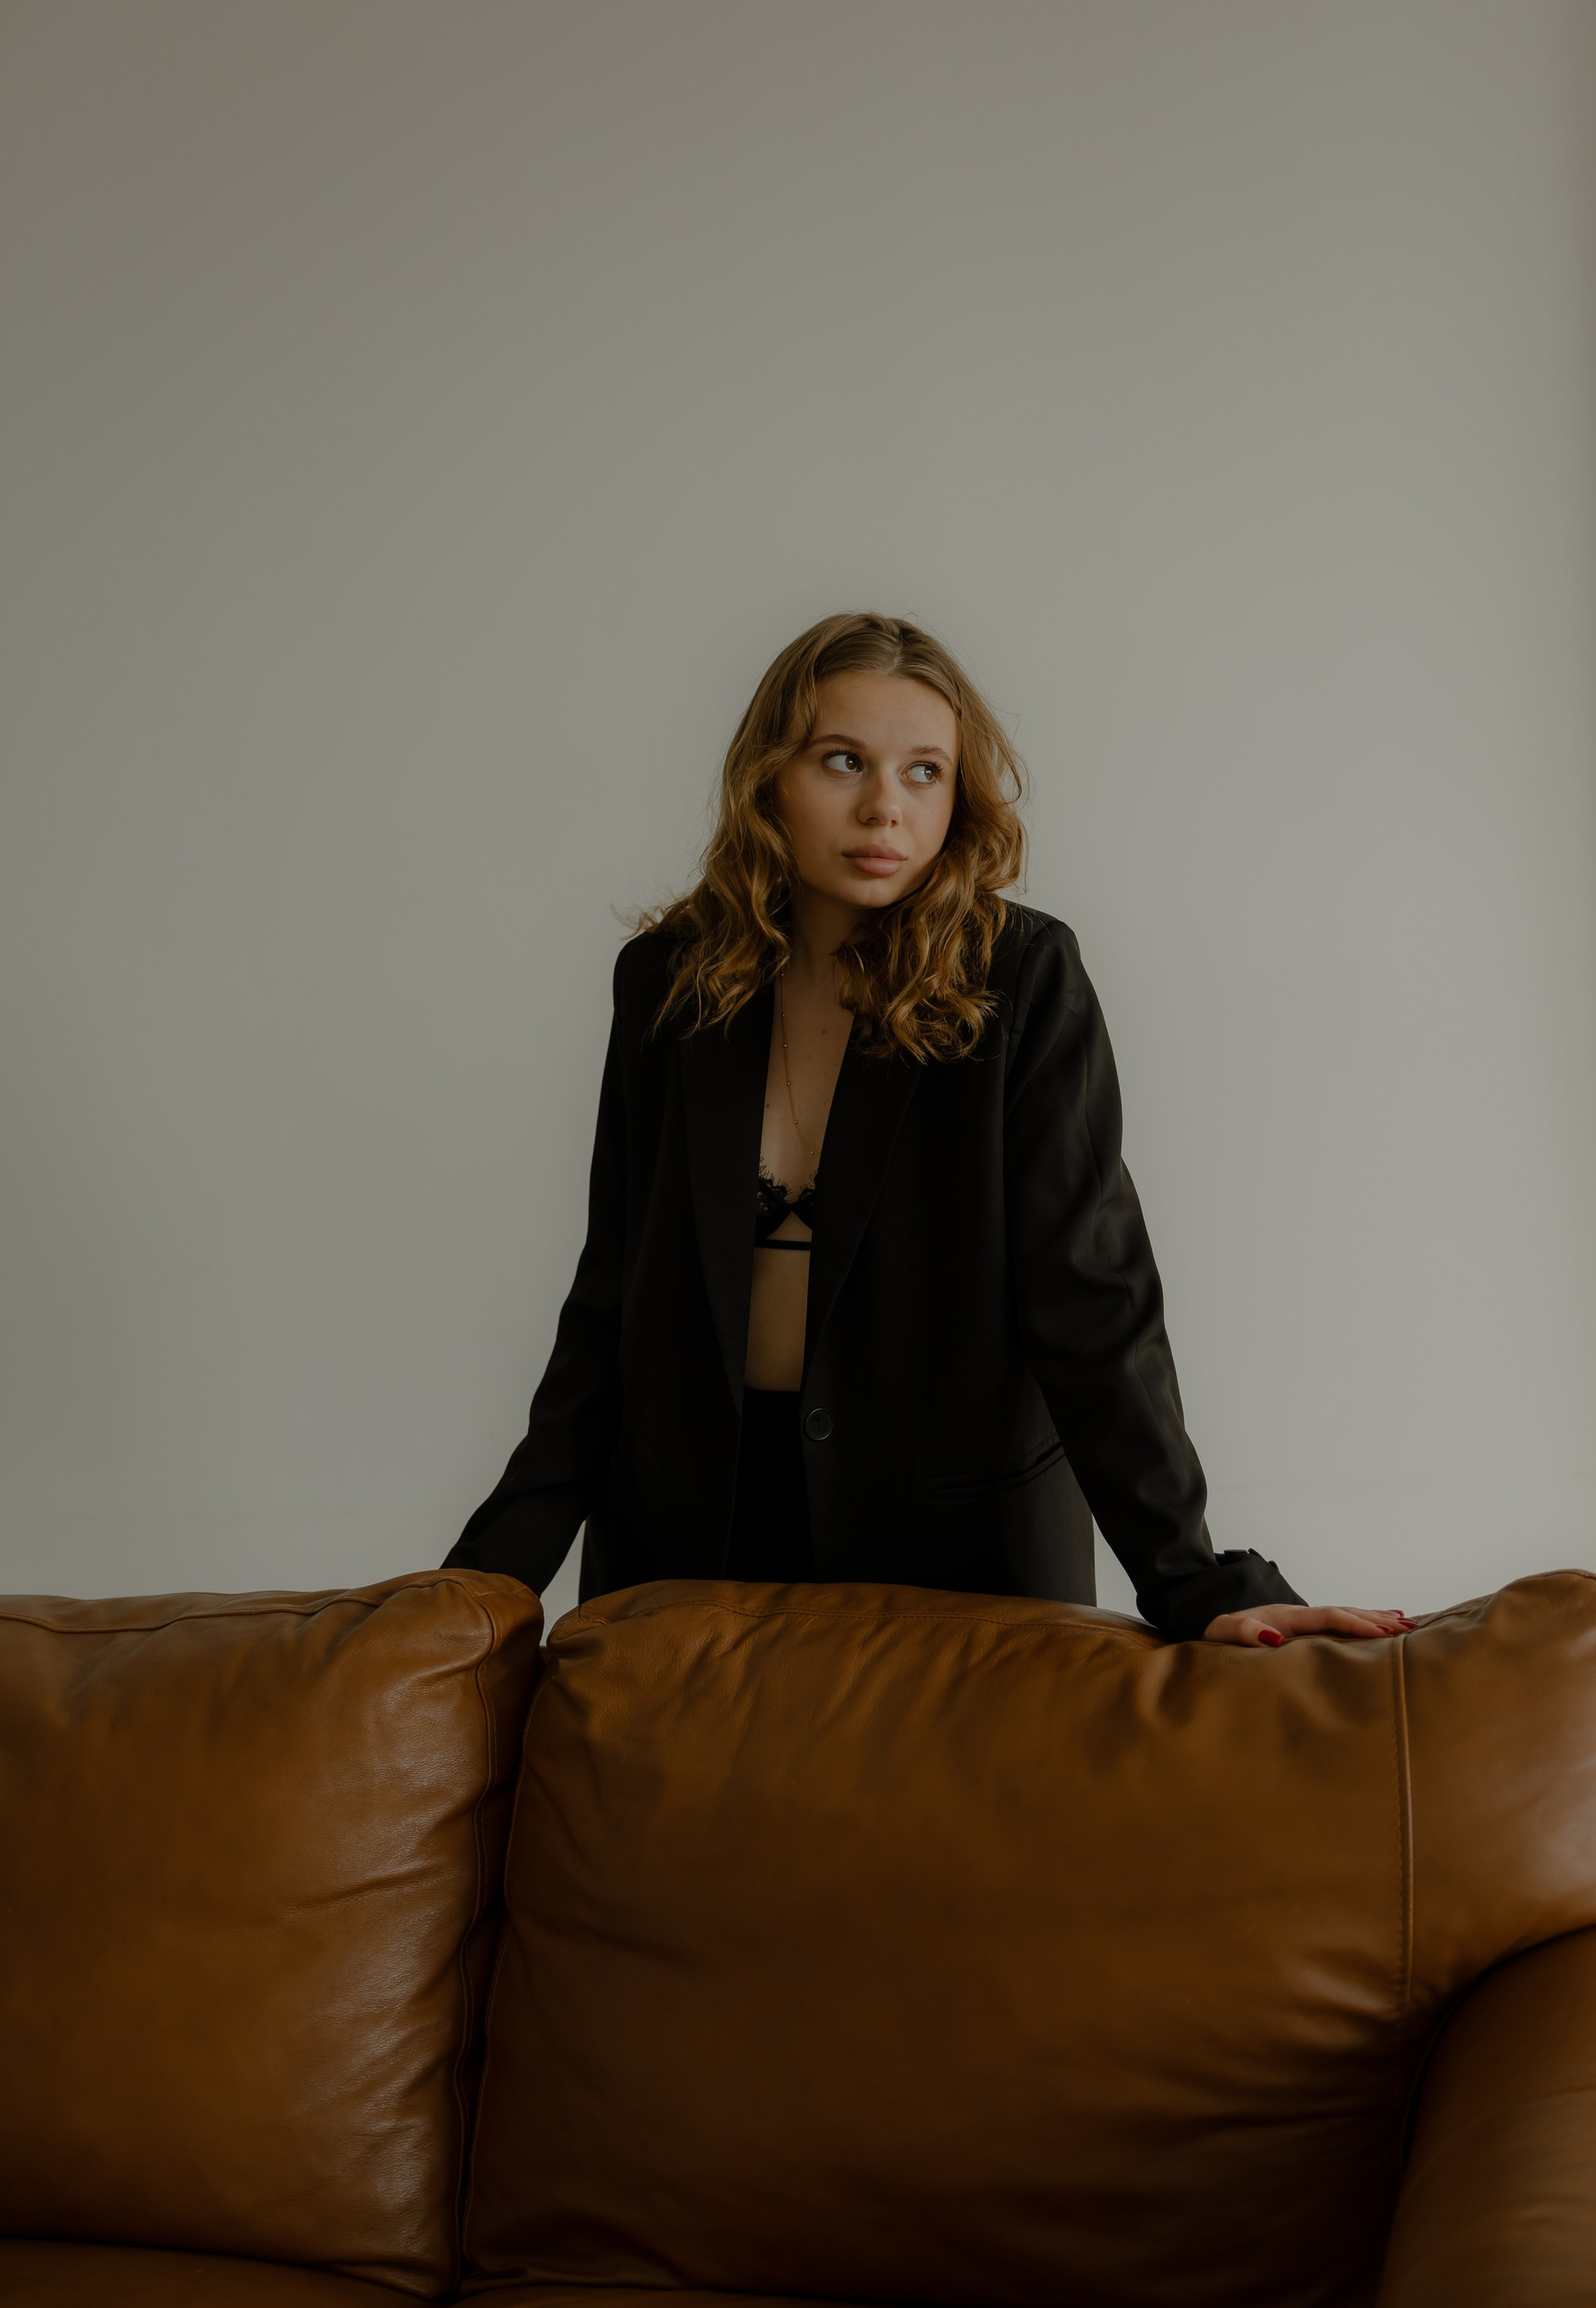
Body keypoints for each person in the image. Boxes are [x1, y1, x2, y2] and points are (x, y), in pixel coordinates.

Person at [444, 612, 1411, 1650]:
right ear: (768, 778)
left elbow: (1091, 1301)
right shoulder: (670, 985)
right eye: (842, 761)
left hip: (958, 1562)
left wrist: (1193, 1579)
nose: (884, 808)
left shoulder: (1021, 981)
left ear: (959, 796)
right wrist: (478, 1588)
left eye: (924, 772)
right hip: (690, 1549)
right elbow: (613, 1301)